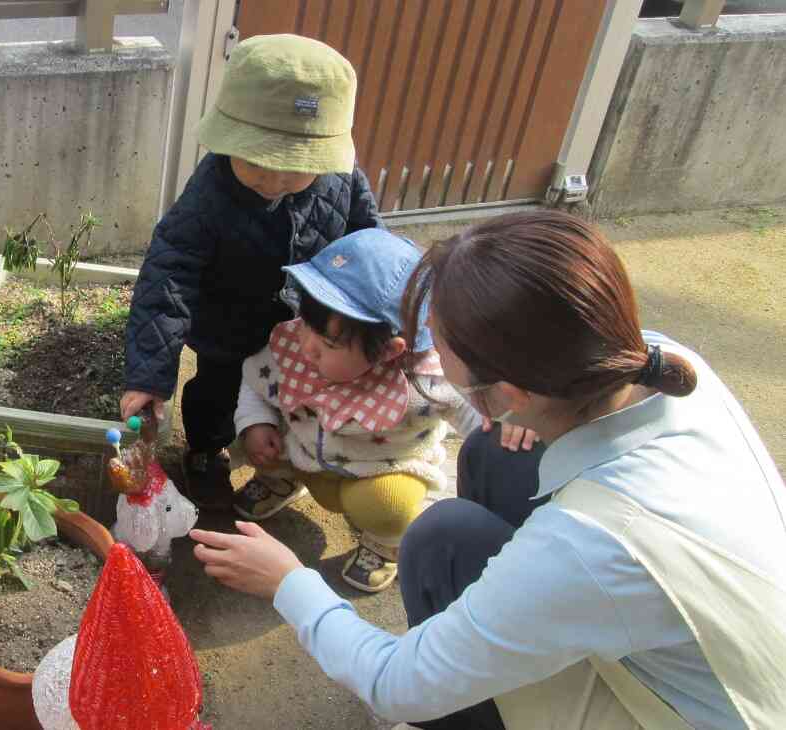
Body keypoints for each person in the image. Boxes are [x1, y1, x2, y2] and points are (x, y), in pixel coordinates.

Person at [191, 211, 786, 729]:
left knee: (438, 536)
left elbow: (396, 680)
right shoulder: (655, 361)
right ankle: (486, 651)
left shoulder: (595, 544)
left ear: (508, 391)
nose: (428, 345)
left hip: (682, 715)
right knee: (489, 460)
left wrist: (288, 581)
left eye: (441, 339)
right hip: (720, 652)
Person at [122, 33, 382, 510]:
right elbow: (168, 279)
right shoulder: (210, 194)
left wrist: (379, 320)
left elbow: (371, 249)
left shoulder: (343, 180)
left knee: (301, 397)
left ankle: (288, 464)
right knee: (216, 393)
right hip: (229, 323)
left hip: (310, 326)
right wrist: (149, 375)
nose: (275, 180)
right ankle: (207, 451)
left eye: (295, 168)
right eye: (259, 163)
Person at [232, 227, 502, 593]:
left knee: (387, 503)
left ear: (389, 350)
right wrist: (255, 422)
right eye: (306, 324)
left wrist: (508, 431)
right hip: (304, 452)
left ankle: (384, 540)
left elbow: (478, 416)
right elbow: (255, 382)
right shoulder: (296, 347)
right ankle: (283, 479)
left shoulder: (426, 380)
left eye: (327, 343)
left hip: (381, 473)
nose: (308, 345)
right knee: (265, 439)